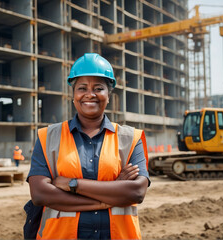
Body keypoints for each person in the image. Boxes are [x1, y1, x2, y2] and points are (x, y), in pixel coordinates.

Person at [27, 53, 150, 240]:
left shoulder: (131, 138)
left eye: (98, 88)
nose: (90, 94)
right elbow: (40, 194)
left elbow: (136, 192)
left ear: (109, 95)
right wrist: (113, 190)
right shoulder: (48, 137)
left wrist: (72, 184)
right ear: (73, 95)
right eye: (82, 88)